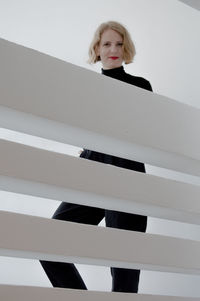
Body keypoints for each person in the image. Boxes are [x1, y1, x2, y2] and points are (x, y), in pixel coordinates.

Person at [40, 21, 153, 293]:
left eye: (119, 43)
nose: (113, 49)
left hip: (127, 176)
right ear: (97, 49)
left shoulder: (141, 86)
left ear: (126, 49)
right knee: (48, 244)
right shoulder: (85, 86)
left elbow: (144, 132)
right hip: (92, 174)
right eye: (106, 43)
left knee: (123, 268)